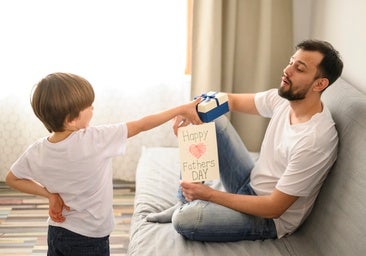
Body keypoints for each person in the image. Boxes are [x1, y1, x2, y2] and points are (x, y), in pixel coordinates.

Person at [146, 39, 344, 242]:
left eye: (299, 69)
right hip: (249, 182)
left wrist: (208, 194)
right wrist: (192, 109)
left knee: (185, 220)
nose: (287, 70)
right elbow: (229, 100)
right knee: (209, 117)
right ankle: (183, 200)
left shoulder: (314, 141)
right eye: (291, 62)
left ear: (320, 84)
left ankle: (187, 207)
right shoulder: (283, 100)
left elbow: (274, 208)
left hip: (268, 218)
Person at [5, 72, 201, 255]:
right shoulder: (95, 139)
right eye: (88, 106)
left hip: (57, 233)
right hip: (91, 238)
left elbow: (12, 179)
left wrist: (49, 195)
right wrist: (181, 109)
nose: (92, 108)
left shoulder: (37, 150)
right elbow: (142, 125)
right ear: (71, 120)